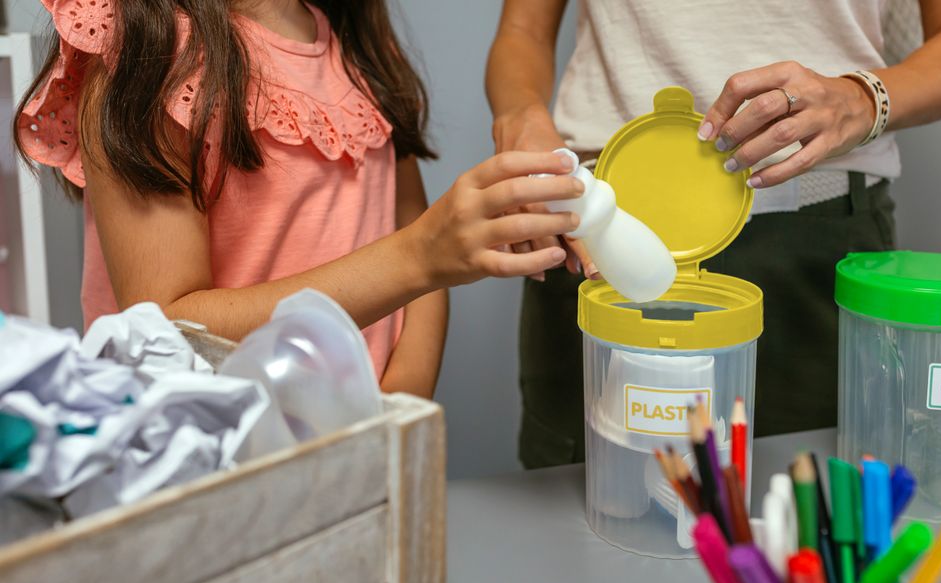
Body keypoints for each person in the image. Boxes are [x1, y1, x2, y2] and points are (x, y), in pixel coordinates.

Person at [487, 0, 941, 467]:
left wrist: (862, 98)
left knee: (816, 504)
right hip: (598, 242)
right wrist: (520, 118)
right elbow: (523, 30)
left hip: (814, 246)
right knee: (592, 513)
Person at [15, 0, 584, 400]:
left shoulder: (357, 45)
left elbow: (417, 237)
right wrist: (420, 256)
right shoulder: (147, 49)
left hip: (359, 452)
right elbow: (169, 326)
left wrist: (397, 407)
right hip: (214, 474)